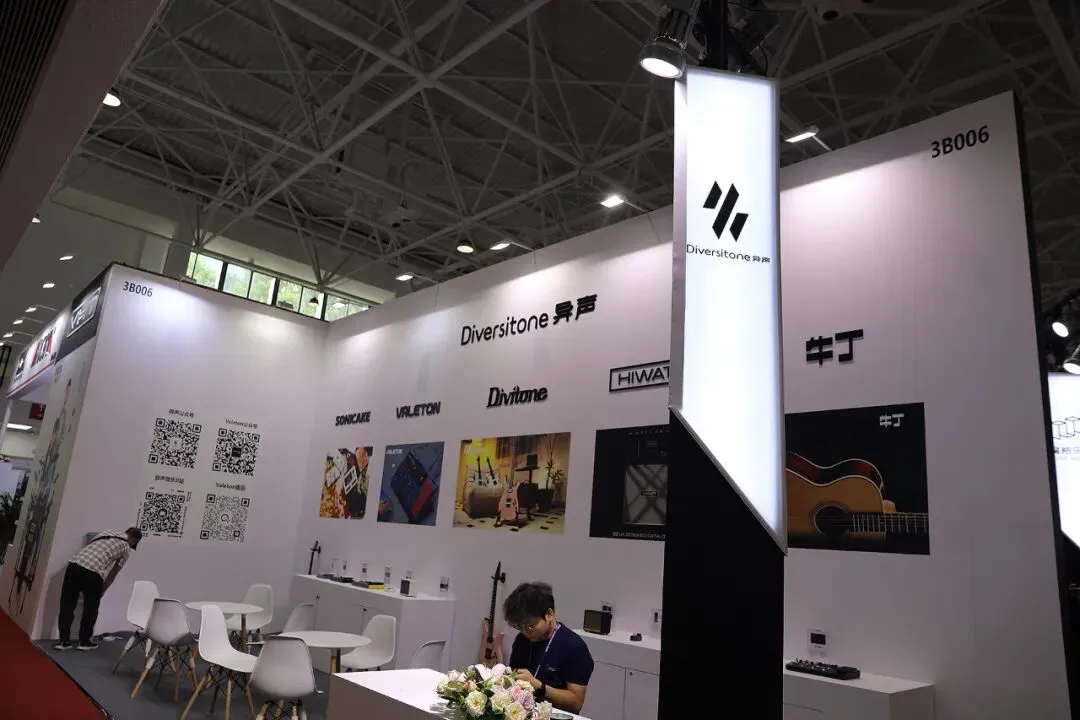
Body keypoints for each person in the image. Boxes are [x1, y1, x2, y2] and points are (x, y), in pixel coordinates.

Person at [504, 581, 594, 714]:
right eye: (520, 627)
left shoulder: (574, 647)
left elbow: (576, 702)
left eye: (530, 626)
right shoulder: (522, 640)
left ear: (549, 615)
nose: (525, 633)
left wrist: (538, 686)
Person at [55, 527, 142, 651]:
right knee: (91, 608)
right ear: (134, 540)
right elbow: (113, 573)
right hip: (93, 571)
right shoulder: (126, 548)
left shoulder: (107, 532)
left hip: (74, 565)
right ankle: (84, 642)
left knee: (67, 604)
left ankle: (63, 641)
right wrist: (103, 589)